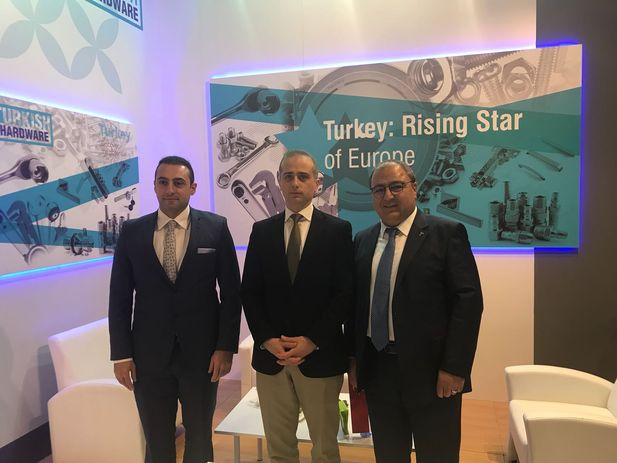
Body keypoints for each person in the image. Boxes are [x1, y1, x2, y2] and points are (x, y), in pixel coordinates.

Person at [348, 160, 483, 463]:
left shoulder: (446, 233)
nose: (388, 196)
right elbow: (356, 307)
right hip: (378, 370)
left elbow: (468, 303)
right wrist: (354, 360)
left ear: (414, 187)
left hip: (433, 375)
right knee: (389, 455)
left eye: (396, 186)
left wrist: (455, 368)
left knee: (437, 455)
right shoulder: (363, 240)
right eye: (379, 189)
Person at [108, 156, 242, 463]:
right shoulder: (132, 232)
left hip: (202, 355)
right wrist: (121, 354)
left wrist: (225, 347)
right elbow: (119, 297)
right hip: (148, 357)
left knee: (199, 436)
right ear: (154, 186)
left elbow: (232, 294)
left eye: (179, 183)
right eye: (163, 182)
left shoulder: (216, 228)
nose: (171, 189)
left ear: (192, 188)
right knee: (157, 439)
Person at [241, 150, 354, 463]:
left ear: (317, 183)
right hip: (272, 359)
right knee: (279, 451)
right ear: (278, 181)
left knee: (325, 450)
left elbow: (344, 294)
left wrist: (312, 341)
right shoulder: (262, 232)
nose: (295, 183)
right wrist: (267, 339)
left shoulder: (338, 231)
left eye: (303, 176)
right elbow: (250, 292)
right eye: (288, 176)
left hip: (320, 357)